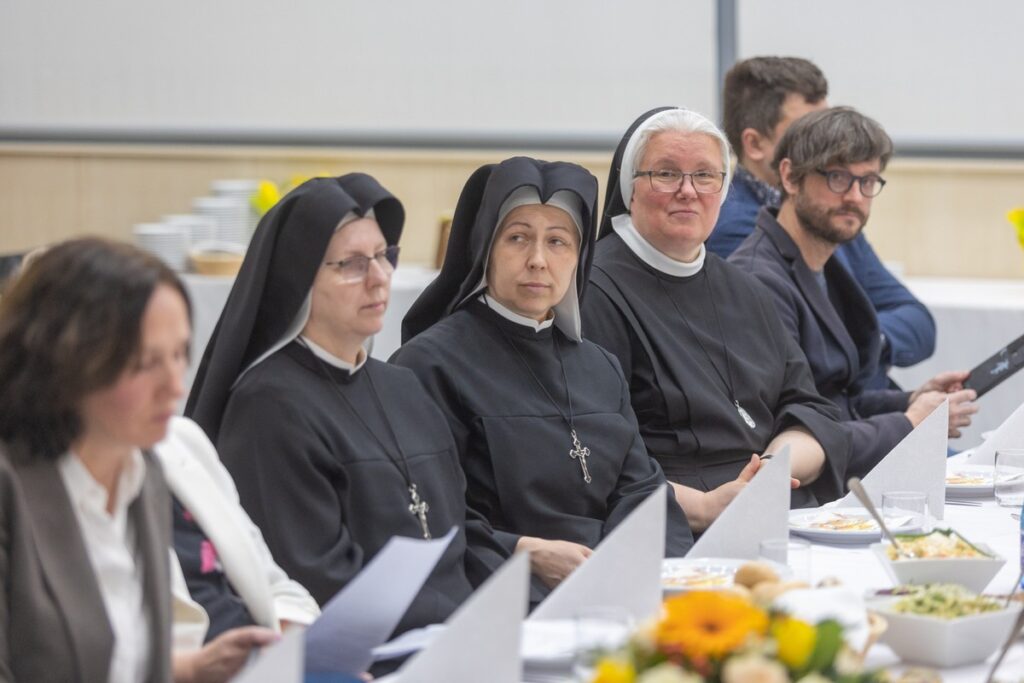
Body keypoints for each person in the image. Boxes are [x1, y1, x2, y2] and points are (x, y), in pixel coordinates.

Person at [186, 174, 507, 637]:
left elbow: (457, 527)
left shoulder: (404, 387)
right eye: (352, 264)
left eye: (382, 256)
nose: (380, 278)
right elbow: (314, 574)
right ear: (300, 280)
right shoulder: (268, 406)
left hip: (458, 639)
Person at [395, 156, 693, 597]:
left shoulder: (600, 367)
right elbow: (430, 516)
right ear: (484, 249)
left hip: (616, 589)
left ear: (579, 258)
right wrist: (521, 552)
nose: (538, 260)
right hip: (503, 595)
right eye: (517, 238)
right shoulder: (428, 367)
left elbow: (644, 492)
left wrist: (636, 572)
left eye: (558, 241)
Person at [581, 108, 850, 531]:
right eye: (666, 174)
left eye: (705, 175)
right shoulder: (592, 291)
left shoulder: (748, 291)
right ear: (629, 187)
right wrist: (706, 505)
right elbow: (592, 453)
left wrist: (773, 472)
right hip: (670, 524)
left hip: (778, 503)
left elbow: (809, 408)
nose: (688, 191)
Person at [728, 107, 978, 475]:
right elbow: (791, 426)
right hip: (813, 490)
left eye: (868, 181)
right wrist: (908, 422)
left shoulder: (826, 262)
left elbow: (838, 399)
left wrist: (912, 400)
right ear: (790, 177)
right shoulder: (757, 279)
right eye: (838, 178)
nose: (856, 197)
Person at [0, 238, 181, 683]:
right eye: (146, 362)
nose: (175, 386)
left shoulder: (144, 473)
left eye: (180, 355)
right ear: (65, 362)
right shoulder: (9, 487)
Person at [708, 56, 936, 390]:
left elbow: (918, 320)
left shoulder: (837, 205)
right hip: (845, 426)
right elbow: (809, 375)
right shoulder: (738, 230)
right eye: (808, 128)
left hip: (873, 411)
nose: (830, 138)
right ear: (756, 144)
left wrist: (866, 341)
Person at [156, 416, 322, 683]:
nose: (176, 388)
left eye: (179, 371)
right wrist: (188, 669)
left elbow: (276, 585)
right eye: (143, 370)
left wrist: (311, 655)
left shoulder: (181, 441)